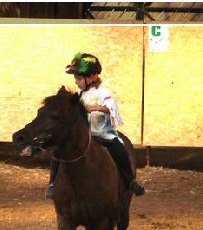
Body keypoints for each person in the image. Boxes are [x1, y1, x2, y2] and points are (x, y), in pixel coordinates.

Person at [44, 52, 145, 199]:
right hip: (84, 136)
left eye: (78, 78)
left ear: (92, 77)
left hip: (102, 134)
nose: (76, 82)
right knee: (59, 151)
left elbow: (111, 108)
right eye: (75, 79)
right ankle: (52, 183)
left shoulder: (103, 93)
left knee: (118, 148)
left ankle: (130, 181)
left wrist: (96, 107)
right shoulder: (79, 95)